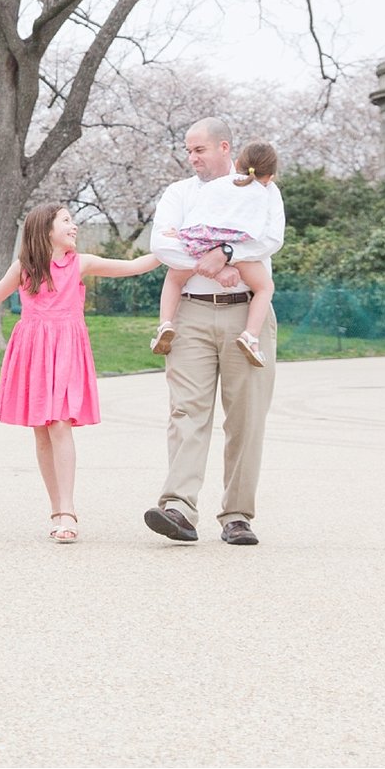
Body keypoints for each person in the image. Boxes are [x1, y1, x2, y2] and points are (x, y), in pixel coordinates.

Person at [0, 203, 160, 543]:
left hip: (66, 349)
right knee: (41, 430)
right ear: (46, 230)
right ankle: (56, 508)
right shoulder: (24, 268)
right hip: (33, 348)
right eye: (66, 221)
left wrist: (170, 249)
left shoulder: (80, 263)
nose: (74, 226)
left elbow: (133, 266)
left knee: (60, 423)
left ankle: (69, 510)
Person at [144, 117, 285, 548]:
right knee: (187, 412)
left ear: (225, 147)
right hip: (192, 314)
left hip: (248, 315)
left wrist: (222, 253)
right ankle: (179, 508)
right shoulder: (179, 194)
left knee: (247, 419)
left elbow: (270, 240)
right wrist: (216, 259)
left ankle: (237, 515)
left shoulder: (265, 190)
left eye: (199, 149)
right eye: (188, 150)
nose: (192, 158)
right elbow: (161, 245)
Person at [151, 139, 279, 367]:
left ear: (237, 161)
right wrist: (228, 255)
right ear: (270, 176)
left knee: (173, 278)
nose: (192, 156)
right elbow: (265, 235)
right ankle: (250, 336)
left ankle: (165, 324)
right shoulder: (264, 192)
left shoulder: (215, 186)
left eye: (198, 149)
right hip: (238, 249)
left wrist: (182, 236)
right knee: (265, 287)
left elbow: (199, 215)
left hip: (202, 242)